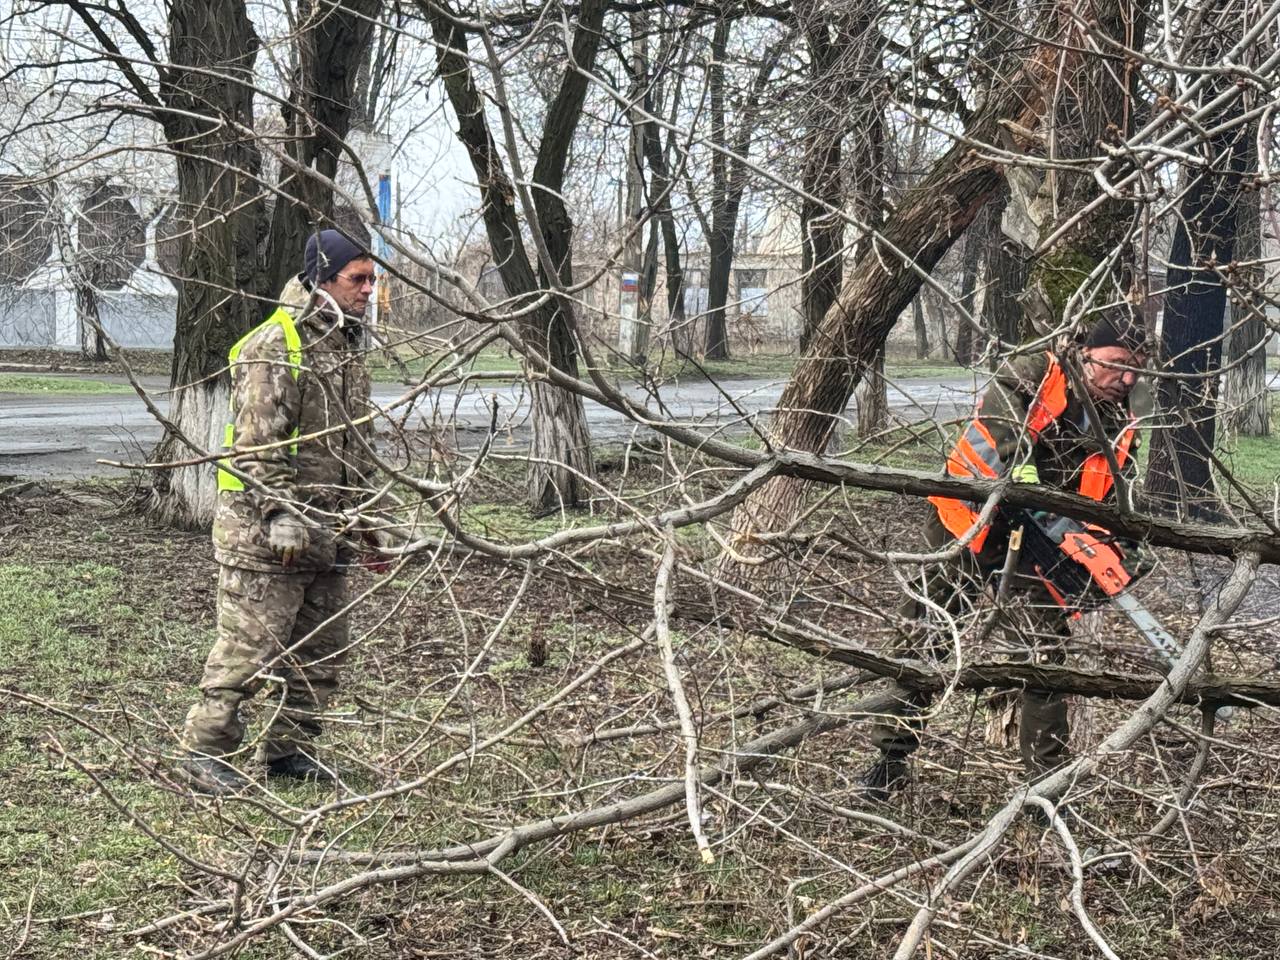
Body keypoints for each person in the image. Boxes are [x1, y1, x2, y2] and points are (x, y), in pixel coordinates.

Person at [858, 310, 1148, 800]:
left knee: (1044, 655)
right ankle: (889, 761)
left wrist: (1112, 555)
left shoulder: (1125, 419)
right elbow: (1005, 436)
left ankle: (1045, 788)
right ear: (1083, 352)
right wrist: (1032, 495)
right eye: (1116, 363)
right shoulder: (1034, 371)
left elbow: (1114, 497)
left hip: (1040, 540)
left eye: (1135, 367)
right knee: (924, 635)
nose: (1127, 378)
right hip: (969, 520)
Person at [180, 229, 382, 796]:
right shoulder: (275, 344)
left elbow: (355, 450)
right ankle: (203, 751)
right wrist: (278, 513)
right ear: (323, 279)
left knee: (320, 651)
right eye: (356, 279)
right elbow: (254, 446)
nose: (367, 290)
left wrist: (369, 523)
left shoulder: (344, 347)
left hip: (327, 533)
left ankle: (290, 753)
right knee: (249, 648)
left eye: (372, 279)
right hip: (264, 534)